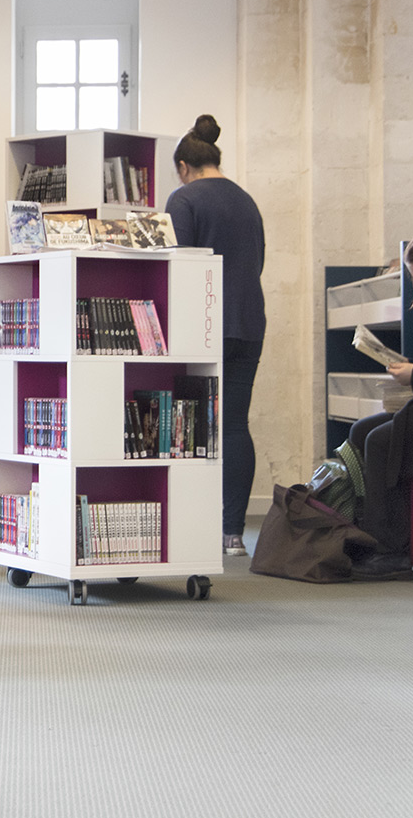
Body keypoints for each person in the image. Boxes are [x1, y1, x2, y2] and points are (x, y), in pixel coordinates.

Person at [165, 114, 267, 557]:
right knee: (235, 425)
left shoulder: (184, 198)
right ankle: (232, 534)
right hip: (248, 322)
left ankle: (191, 525)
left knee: (191, 425)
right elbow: (257, 263)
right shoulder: (247, 201)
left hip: (203, 326)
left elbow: (180, 267)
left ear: (184, 166)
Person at [346, 229, 413, 580]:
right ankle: (370, 531)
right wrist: (412, 368)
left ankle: (392, 549)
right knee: (361, 431)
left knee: (380, 442)